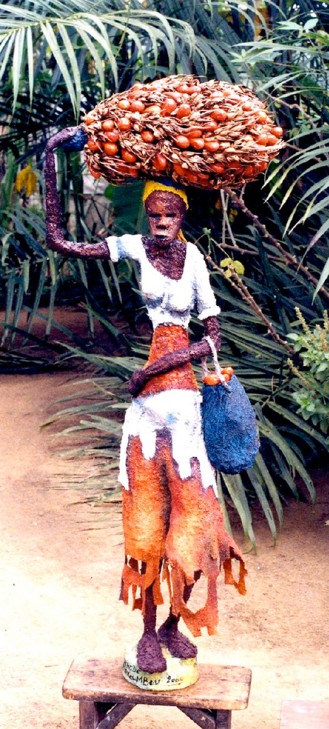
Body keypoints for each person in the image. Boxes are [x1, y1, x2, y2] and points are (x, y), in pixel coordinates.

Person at [44, 127, 246, 675]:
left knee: (197, 521)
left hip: (184, 409)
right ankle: (146, 636)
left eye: (169, 216)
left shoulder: (197, 261)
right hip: (146, 420)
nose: (159, 224)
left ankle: (173, 625)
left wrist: (158, 366)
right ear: (146, 218)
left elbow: (213, 333)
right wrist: (50, 160)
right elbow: (63, 243)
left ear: (182, 217)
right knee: (145, 524)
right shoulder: (135, 249)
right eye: (153, 216)